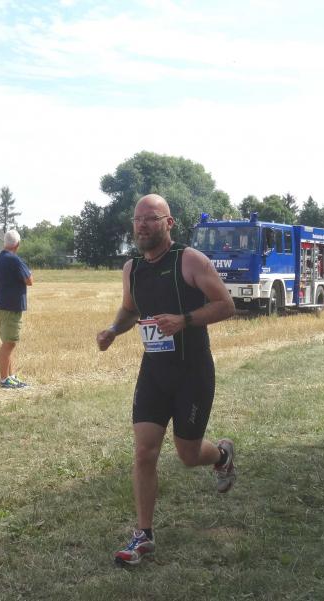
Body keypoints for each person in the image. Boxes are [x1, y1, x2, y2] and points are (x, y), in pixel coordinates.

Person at [96, 194, 237, 567]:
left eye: (151, 218)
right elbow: (130, 310)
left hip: (192, 372)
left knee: (188, 455)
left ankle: (222, 455)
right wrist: (113, 330)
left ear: (168, 223)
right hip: (154, 372)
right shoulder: (132, 268)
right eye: (137, 219)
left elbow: (226, 305)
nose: (142, 225)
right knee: (144, 451)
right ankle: (144, 535)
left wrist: (184, 320)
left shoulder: (190, 260)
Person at [0, 230, 34, 389]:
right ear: (17, 244)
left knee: (9, 343)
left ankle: (11, 376)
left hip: (1, 305)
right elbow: (29, 280)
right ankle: (4, 379)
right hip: (11, 307)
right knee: (9, 344)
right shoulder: (15, 259)